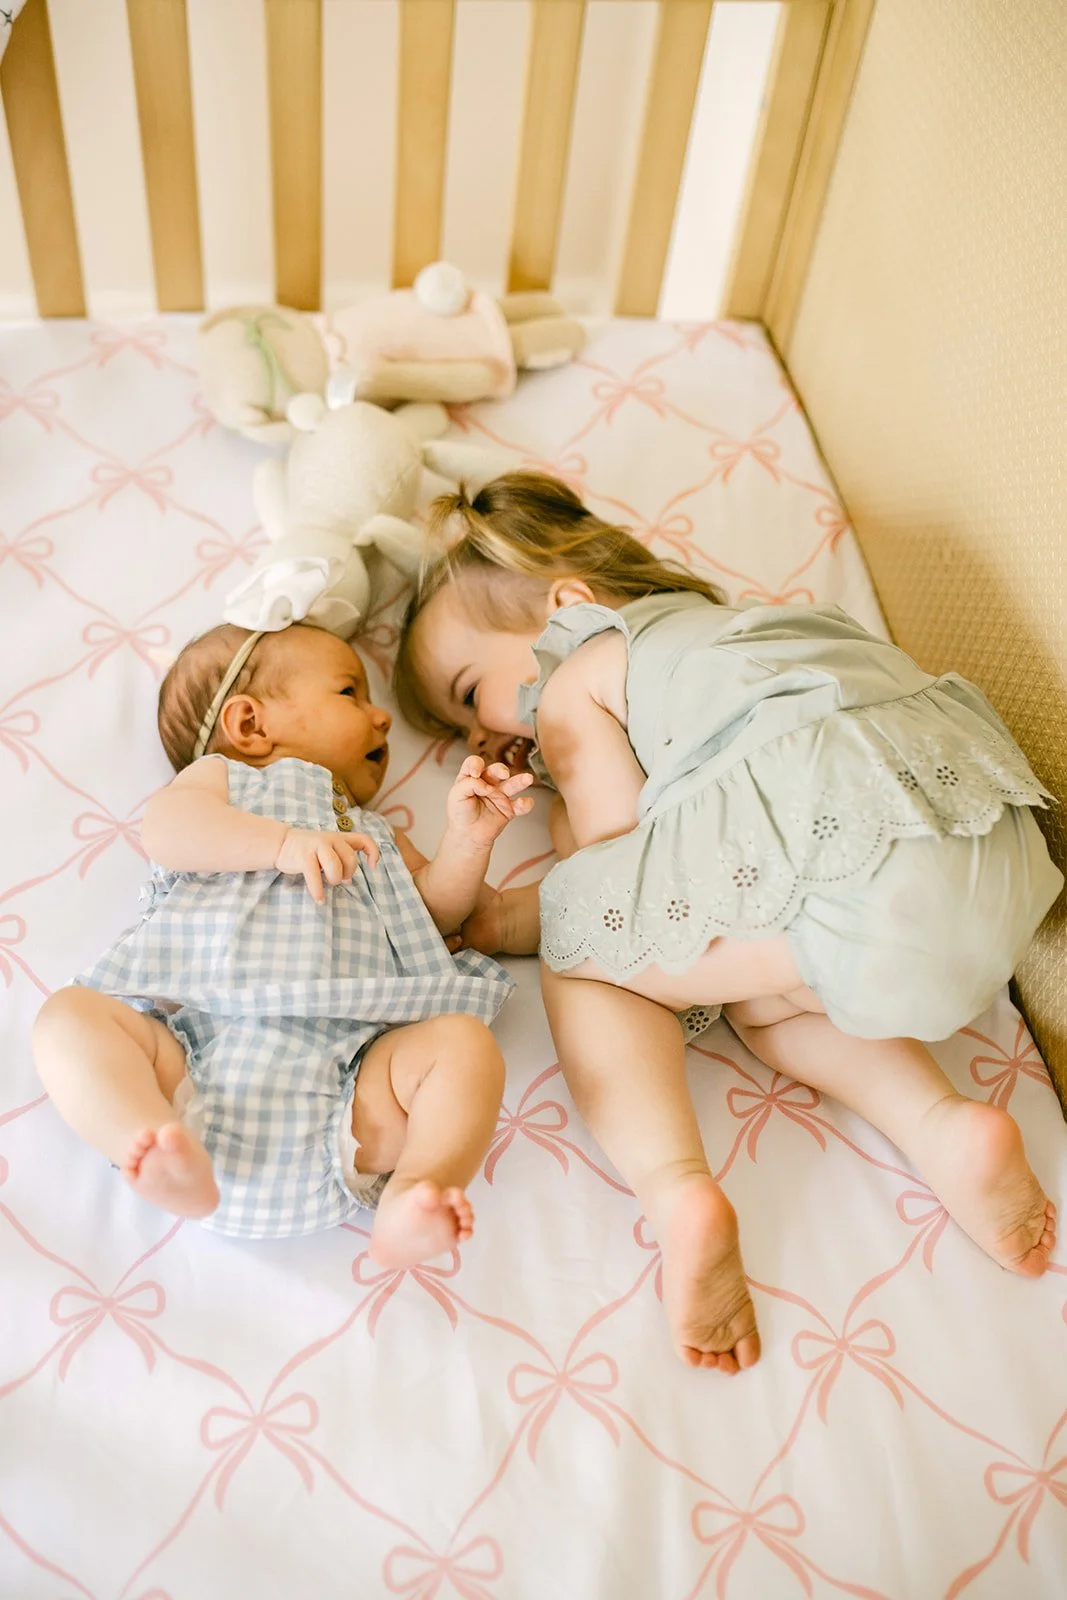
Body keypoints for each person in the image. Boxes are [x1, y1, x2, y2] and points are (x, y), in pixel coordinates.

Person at [396, 470, 1063, 1371]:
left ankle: (676, 1192)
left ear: (566, 604)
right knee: (771, 1000)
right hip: (981, 843)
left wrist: (509, 910)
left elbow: (618, 872)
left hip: (852, 858)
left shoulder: (575, 682)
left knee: (582, 945)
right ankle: (949, 1129)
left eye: (470, 693)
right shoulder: (742, 629)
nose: (477, 738)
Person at [33, 622, 533, 1267]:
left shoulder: (373, 830)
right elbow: (167, 831)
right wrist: (281, 845)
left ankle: (417, 1189)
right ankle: (145, 1138)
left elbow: (433, 917)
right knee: (68, 1017)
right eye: (350, 690)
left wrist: (471, 840)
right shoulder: (224, 783)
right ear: (249, 725)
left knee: (463, 1044)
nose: (382, 718)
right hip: (196, 1059)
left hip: (350, 1080)